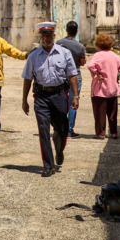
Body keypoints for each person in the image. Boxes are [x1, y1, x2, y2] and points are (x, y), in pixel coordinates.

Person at [22, 22, 78, 177]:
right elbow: (27, 78)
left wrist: (76, 96)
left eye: (48, 35)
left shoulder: (64, 53)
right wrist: (24, 100)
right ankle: (48, 165)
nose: (46, 38)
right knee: (43, 131)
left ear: (54, 36)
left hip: (59, 95)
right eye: (43, 36)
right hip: (41, 97)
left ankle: (59, 151)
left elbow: (72, 75)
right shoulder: (34, 55)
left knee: (62, 129)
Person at [86, 33, 120, 139]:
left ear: (98, 45)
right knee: (112, 113)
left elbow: (90, 65)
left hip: (100, 89)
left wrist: (96, 73)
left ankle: (101, 133)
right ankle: (114, 133)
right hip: (113, 88)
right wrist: (119, 73)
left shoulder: (97, 55)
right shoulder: (114, 55)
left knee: (100, 113)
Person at [56, 21, 87, 138]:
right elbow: (82, 63)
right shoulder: (80, 46)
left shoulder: (59, 43)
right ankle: (69, 129)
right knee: (73, 103)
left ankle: (60, 128)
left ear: (66, 30)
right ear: (77, 31)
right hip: (75, 77)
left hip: (61, 78)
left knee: (61, 103)